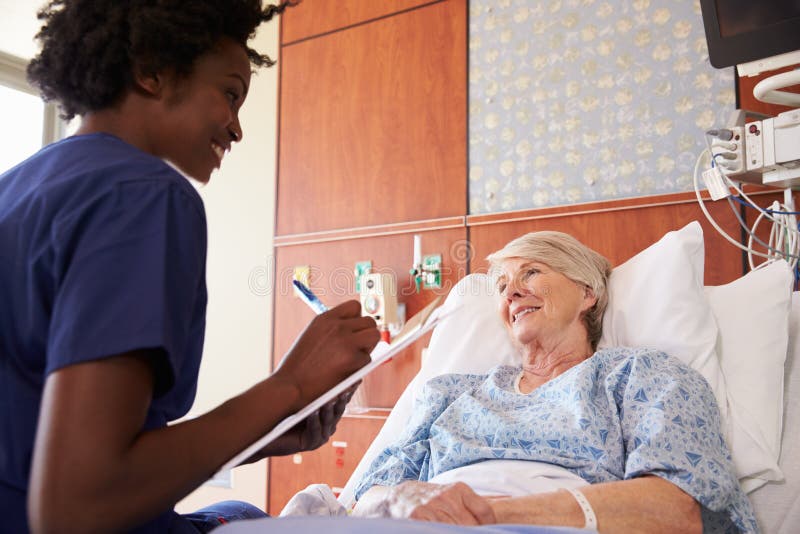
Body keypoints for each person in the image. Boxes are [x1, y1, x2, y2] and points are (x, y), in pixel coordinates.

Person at [0, 1, 380, 532]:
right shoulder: (143, 196)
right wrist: (289, 387)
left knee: (238, 511)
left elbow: (43, 445)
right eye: (230, 94)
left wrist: (265, 428)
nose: (237, 129)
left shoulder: (19, 189)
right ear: (151, 71)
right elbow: (76, 506)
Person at [353, 232, 759, 533]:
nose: (511, 291)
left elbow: (678, 509)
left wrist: (484, 515)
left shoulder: (641, 376)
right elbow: (364, 498)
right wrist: (397, 499)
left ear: (587, 293)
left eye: (531, 272)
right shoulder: (449, 394)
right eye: (501, 286)